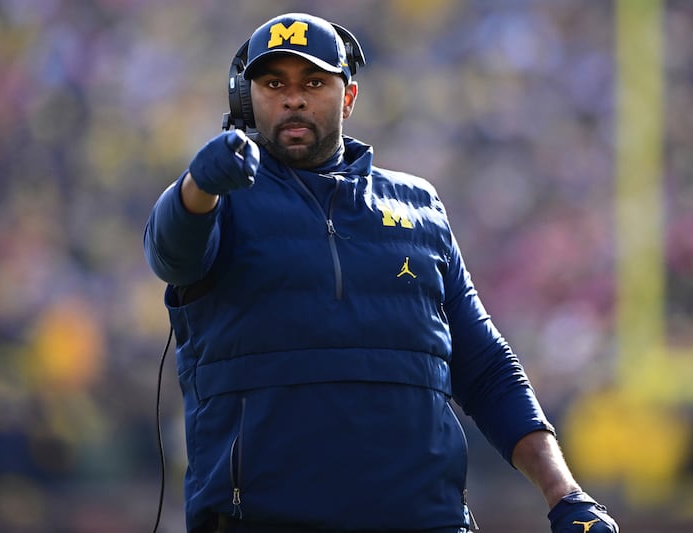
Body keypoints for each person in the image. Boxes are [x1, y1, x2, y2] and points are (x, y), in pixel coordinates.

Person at [143, 12, 619, 533]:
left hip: (425, 521)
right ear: (246, 99)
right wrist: (198, 184)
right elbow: (171, 253)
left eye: (315, 83)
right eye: (273, 83)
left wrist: (565, 494)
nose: (293, 98)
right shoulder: (219, 199)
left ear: (348, 97)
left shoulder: (420, 207)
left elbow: (485, 367)